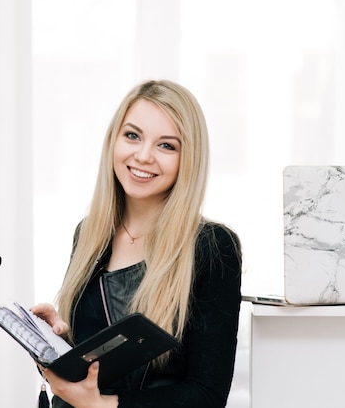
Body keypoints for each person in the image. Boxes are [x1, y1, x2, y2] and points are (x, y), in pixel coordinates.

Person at [32, 80, 242, 408]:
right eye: (133, 136)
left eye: (167, 146)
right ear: (113, 140)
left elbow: (206, 394)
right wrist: (55, 340)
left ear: (189, 158)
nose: (143, 156)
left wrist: (102, 406)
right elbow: (99, 359)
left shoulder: (212, 247)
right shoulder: (89, 234)